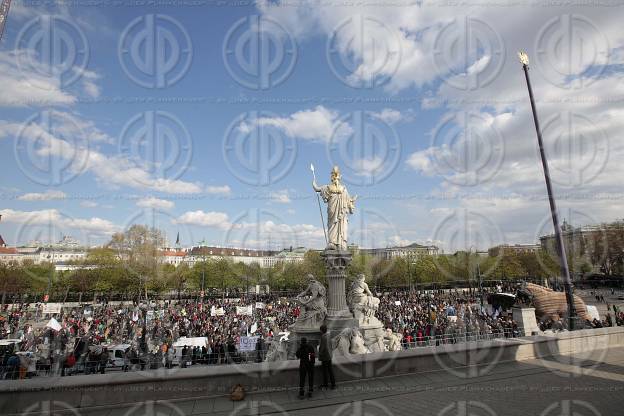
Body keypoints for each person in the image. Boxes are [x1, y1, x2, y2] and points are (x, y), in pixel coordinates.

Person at [318, 325, 335, 390]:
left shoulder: (323, 337)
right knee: (330, 370)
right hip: (329, 355)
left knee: (325, 371)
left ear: (321, 330)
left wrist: (320, 354)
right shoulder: (328, 335)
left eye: (320, 330)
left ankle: (325, 384)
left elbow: (323, 347)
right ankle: (333, 384)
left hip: (325, 356)